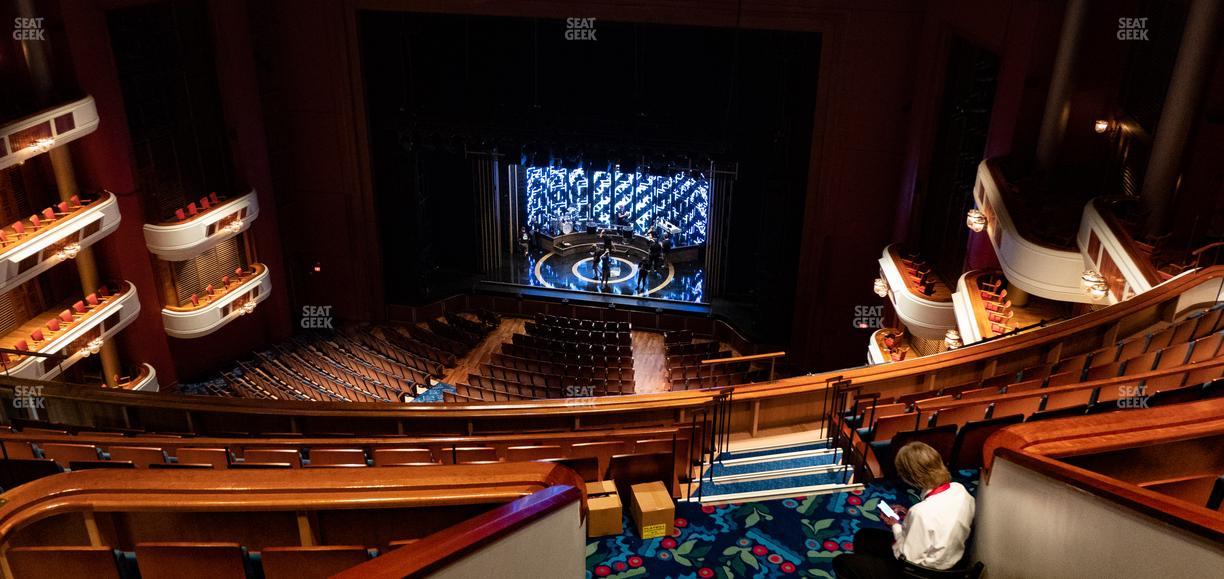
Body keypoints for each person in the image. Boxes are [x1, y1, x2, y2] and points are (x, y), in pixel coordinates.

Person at [832, 442, 975, 578]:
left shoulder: (920, 512)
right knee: (864, 536)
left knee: (842, 562)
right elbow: (941, 519)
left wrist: (895, 525)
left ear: (911, 477)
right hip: (950, 559)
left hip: (920, 573)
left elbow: (905, 557)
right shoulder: (960, 490)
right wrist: (909, 516)